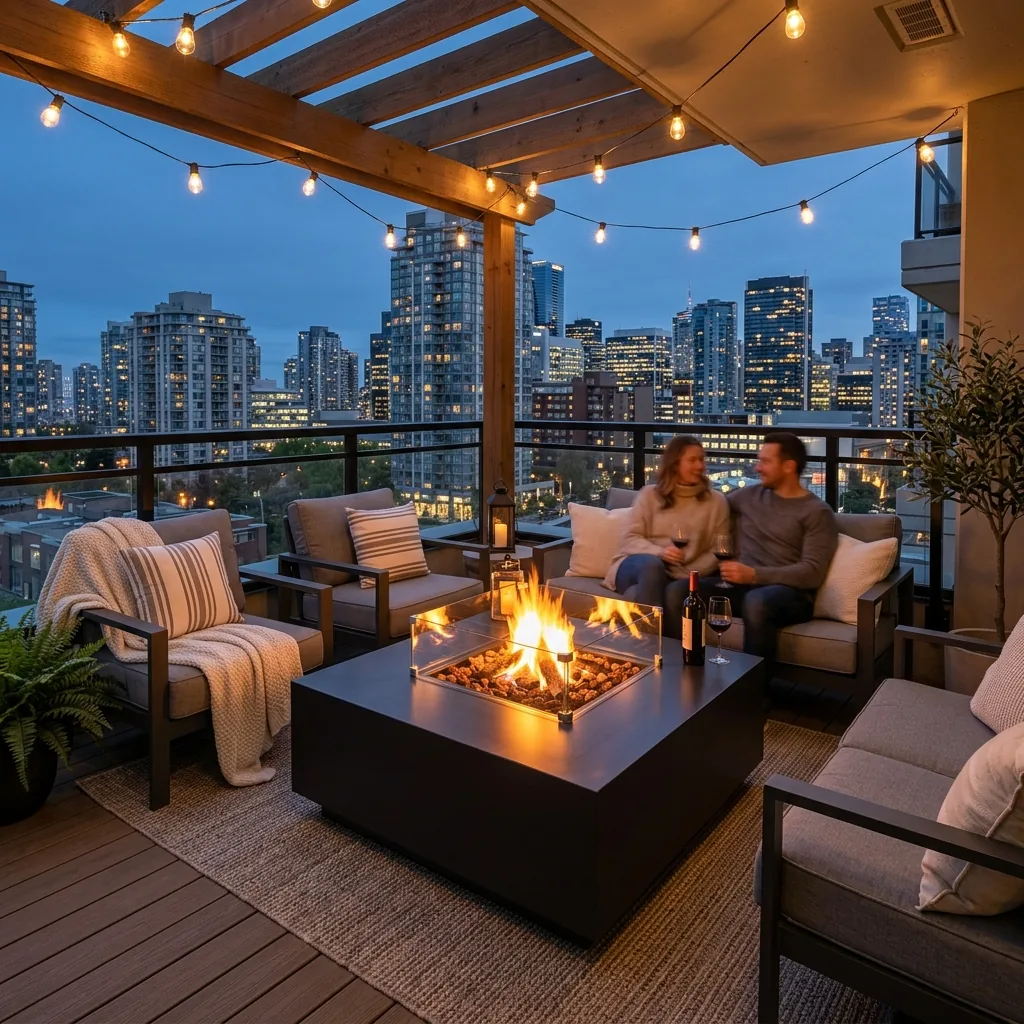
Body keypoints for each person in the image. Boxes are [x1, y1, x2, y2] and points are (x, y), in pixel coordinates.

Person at [703, 431, 838, 678]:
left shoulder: (817, 512)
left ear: (788, 466)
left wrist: (754, 575)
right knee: (680, 591)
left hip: (789, 595)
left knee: (757, 602)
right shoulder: (748, 496)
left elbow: (812, 572)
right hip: (741, 587)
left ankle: (754, 692)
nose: (757, 468)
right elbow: (710, 507)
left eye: (765, 462)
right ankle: (685, 675)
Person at [606, 435, 730, 637]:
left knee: (649, 593)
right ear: (675, 464)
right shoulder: (649, 495)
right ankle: (650, 646)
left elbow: (718, 551)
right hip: (637, 567)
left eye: (702, 459)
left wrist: (688, 574)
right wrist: (661, 553)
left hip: (682, 576)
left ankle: (655, 645)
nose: (700, 466)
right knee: (652, 567)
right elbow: (629, 540)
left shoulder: (716, 502)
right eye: (692, 460)